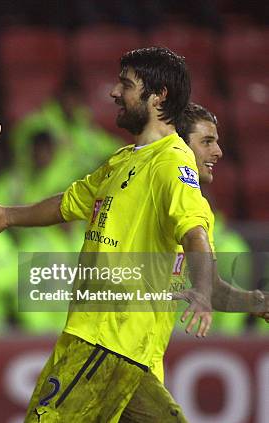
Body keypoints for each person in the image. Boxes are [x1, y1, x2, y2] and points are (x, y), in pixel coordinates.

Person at [0, 47, 216, 421]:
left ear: (159, 96)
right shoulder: (124, 159)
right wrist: (9, 216)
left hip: (105, 342)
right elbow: (70, 202)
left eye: (125, 84)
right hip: (123, 351)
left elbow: (194, 232)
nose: (113, 92)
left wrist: (203, 293)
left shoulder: (171, 163)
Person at [119, 102, 268, 422]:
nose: (218, 152)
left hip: (144, 361)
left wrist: (257, 302)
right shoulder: (147, 190)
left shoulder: (196, 211)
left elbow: (211, 290)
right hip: (112, 353)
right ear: (178, 146)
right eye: (207, 142)